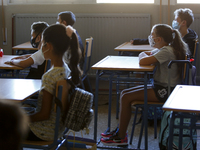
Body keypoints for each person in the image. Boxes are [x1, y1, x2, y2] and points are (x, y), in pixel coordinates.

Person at [100, 24, 189, 146]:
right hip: (161, 87)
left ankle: (121, 137)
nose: (151, 37)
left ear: (159, 39)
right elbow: (147, 53)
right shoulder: (164, 49)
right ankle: (119, 132)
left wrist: (143, 54)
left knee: (125, 97)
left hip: (166, 91)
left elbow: (143, 59)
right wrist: (145, 53)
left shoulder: (166, 51)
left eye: (153, 35)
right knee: (124, 93)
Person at [25, 24, 81, 141]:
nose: (40, 48)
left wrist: (21, 118)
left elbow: (44, 114)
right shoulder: (66, 69)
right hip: (58, 128)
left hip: (42, 131)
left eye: (42, 44)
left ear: (48, 46)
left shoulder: (50, 76)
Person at [6, 11, 84, 74]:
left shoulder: (48, 51)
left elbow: (25, 63)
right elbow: (37, 55)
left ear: (49, 45)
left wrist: (12, 61)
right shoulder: (71, 38)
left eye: (44, 43)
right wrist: (22, 56)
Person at [130, 8, 198, 57]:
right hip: (165, 58)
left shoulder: (189, 40)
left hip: (171, 65)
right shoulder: (175, 34)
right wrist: (138, 41)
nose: (174, 21)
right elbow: (156, 38)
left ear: (184, 22)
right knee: (134, 54)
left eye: (176, 19)